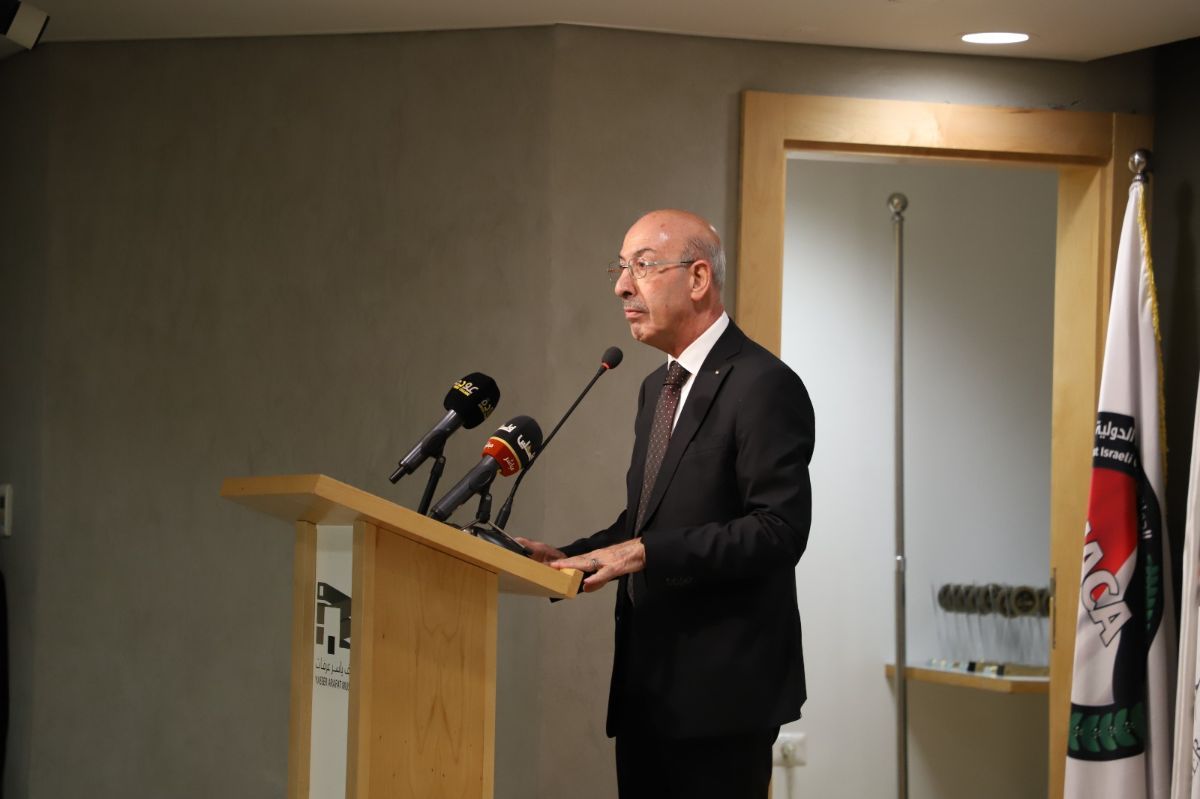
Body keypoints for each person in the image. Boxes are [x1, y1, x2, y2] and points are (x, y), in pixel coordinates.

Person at [516, 209, 815, 799]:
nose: (622, 287)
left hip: (722, 701)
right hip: (648, 689)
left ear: (698, 278)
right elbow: (648, 521)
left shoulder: (763, 384)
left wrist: (644, 552)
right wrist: (569, 557)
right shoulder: (658, 388)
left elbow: (779, 530)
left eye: (643, 267)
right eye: (620, 269)